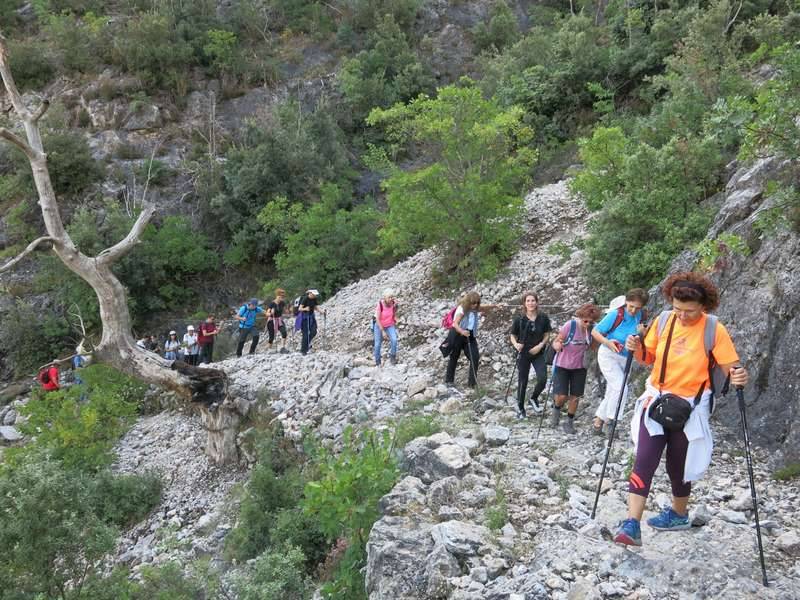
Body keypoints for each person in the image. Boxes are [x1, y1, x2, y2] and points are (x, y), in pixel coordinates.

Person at [613, 272, 748, 547]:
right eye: (677, 309)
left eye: (690, 311)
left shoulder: (714, 329)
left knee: (679, 465)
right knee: (645, 458)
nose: (683, 316)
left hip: (691, 408)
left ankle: (678, 513)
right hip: (656, 400)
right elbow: (647, 357)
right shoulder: (664, 321)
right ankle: (632, 524)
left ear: (704, 306)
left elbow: (730, 367)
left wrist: (738, 375)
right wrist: (635, 347)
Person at [591, 288, 649, 437]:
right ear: (626, 302)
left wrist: (642, 334)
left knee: (614, 390)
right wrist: (608, 342)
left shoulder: (642, 316)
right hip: (608, 354)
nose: (633, 310)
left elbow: (640, 337)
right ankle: (612, 421)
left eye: (637, 308)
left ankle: (598, 422)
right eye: (631, 306)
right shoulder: (616, 314)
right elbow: (595, 332)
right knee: (620, 387)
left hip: (626, 357)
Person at [549, 303, 602, 434]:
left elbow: (593, 347)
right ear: (580, 317)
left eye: (591, 322)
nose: (587, 324)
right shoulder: (570, 326)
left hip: (580, 367)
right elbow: (557, 341)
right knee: (562, 396)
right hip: (562, 365)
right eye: (585, 321)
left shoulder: (592, 330)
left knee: (576, 396)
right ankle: (556, 410)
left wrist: (598, 342)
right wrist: (557, 345)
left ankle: (569, 422)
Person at [509, 292, 553, 418]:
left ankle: (534, 398)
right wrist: (516, 345)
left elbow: (547, 334)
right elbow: (513, 335)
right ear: (524, 303)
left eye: (533, 300)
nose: (530, 303)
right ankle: (521, 408)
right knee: (523, 381)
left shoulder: (543, 318)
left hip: (538, 352)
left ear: (537, 302)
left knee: (542, 378)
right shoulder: (519, 319)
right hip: (523, 353)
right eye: (528, 301)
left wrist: (540, 345)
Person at [444, 292, 491, 389]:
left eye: (477, 303)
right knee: (454, 357)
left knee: (475, 357)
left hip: (470, 335)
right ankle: (449, 381)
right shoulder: (461, 309)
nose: (475, 305)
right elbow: (455, 324)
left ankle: (472, 384)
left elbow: (484, 307)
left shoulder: (475, 308)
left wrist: (496, 306)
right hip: (457, 334)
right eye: (473, 303)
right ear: (468, 302)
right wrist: (462, 331)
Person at [373, 288, 399, 366]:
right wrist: (383, 331)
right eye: (389, 297)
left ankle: (392, 356)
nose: (391, 299)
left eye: (392, 297)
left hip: (389, 324)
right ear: (384, 298)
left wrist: (396, 306)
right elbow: (377, 319)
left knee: (394, 340)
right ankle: (378, 361)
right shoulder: (380, 305)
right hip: (379, 325)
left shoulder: (393, 303)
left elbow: (394, 312)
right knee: (377, 344)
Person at [296, 289, 322, 355]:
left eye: (315, 295)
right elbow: (300, 308)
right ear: (310, 293)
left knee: (314, 331)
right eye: (314, 294)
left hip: (311, 317)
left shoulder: (314, 299)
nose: (315, 296)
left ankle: (307, 344)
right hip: (305, 318)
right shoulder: (305, 299)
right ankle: (303, 350)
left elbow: (315, 307)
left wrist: (321, 311)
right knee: (305, 334)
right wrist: (305, 308)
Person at [266, 289, 289, 353]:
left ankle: (282, 347)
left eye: (282, 297)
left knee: (284, 332)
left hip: (279, 320)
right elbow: (267, 313)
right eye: (280, 297)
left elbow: (286, 310)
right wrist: (271, 313)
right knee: (271, 336)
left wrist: (288, 311)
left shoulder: (282, 303)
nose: (281, 298)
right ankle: (269, 349)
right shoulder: (272, 303)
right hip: (271, 321)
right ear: (277, 296)